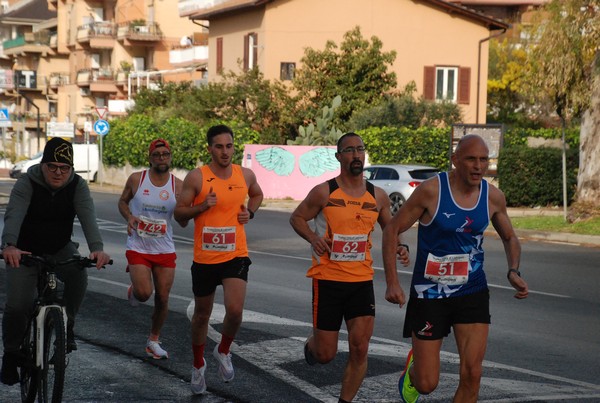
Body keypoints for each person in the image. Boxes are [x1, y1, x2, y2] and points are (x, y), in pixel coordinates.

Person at [382, 134, 529, 403]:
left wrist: (513, 271)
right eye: (471, 159)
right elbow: (392, 229)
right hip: (429, 293)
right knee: (427, 383)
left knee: (472, 374)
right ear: (455, 160)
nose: (478, 166)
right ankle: (413, 374)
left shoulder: (493, 197)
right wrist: (392, 282)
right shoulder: (431, 191)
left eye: (484, 159)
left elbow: (510, 237)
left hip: (471, 290)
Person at [289, 132, 410, 403]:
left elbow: (391, 228)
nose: (356, 155)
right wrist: (313, 238)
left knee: (360, 348)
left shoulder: (377, 196)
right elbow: (297, 217)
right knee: (325, 354)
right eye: (350, 150)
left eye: (360, 149)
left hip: (361, 282)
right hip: (327, 280)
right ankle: (313, 345)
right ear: (338, 156)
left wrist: (402, 245)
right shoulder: (325, 191)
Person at [0, 137, 111, 385]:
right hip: (24, 251)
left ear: (71, 169)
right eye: (52, 166)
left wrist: (97, 249)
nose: (58, 173)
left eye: (64, 168)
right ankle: (9, 354)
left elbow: (88, 217)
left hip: (60, 247)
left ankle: (67, 324)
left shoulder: (77, 186)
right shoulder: (27, 183)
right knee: (19, 304)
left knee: (78, 274)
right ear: (42, 165)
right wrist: (9, 246)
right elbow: (14, 214)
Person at [174, 124, 263, 395]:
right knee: (202, 315)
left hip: (236, 253)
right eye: (219, 146)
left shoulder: (245, 174)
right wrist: (202, 207)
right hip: (205, 258)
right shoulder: (197, 178)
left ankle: (223, 350)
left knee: (235, 311)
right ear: (209, 148)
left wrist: (250, 211)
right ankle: (198, 364)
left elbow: (257, 194)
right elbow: (179, 214)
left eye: (229, 146)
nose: (225, 152)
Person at [118, 138, 186, 359]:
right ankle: (135, 289)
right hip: (138, 245)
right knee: (145, 294)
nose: (161, 158)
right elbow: (122, 202)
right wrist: (129, 217)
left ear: (170, 157)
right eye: (157, 155)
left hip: (164, 248)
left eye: (165, 154)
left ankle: (153, 340)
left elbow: (184, 216)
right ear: (150, 158)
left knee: (163, 298)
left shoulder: (178, 185)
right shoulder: (137, 179)